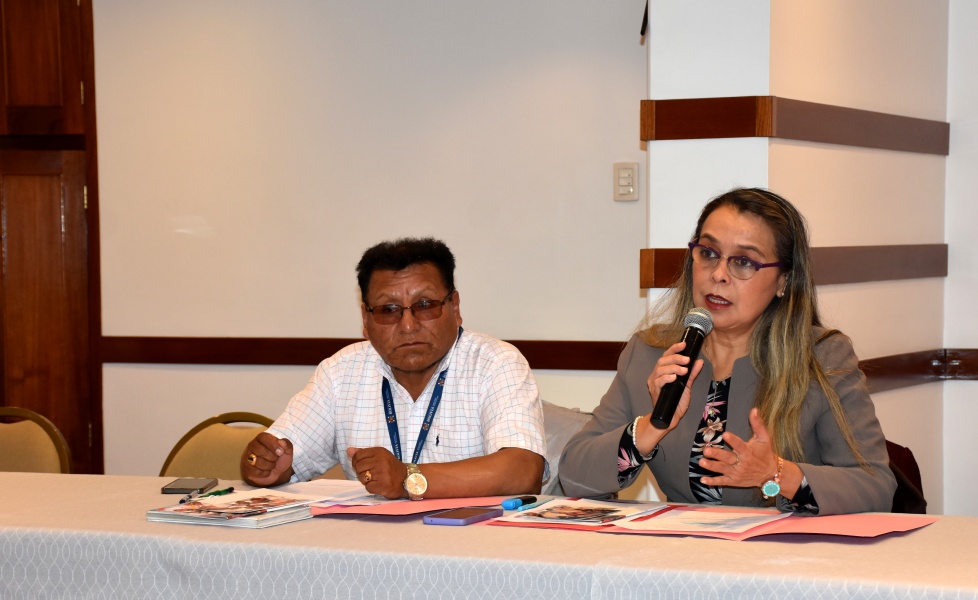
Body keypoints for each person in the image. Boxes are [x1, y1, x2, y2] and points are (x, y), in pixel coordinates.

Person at [559, 188, 896, 515]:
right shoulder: (651, 353)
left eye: (744, 262)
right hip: (681, 547)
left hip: (782, 548)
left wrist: (774, 475)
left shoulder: (821, 357)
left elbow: (876, 486)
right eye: (708, 253)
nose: (718, 274)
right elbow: (574, 477)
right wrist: (651, 427)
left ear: (783, 281)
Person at [242, 237, 547, 499]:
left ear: (454, 307)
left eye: (425, 305)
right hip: (371, 543)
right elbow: (276, 459)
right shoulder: (340, 373)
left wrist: (407, 478)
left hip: (472, 541)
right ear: (366, 320)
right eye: (388, 310)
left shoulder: (495, 363)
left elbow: (523, 471)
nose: (408, 325)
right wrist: (263, 465)